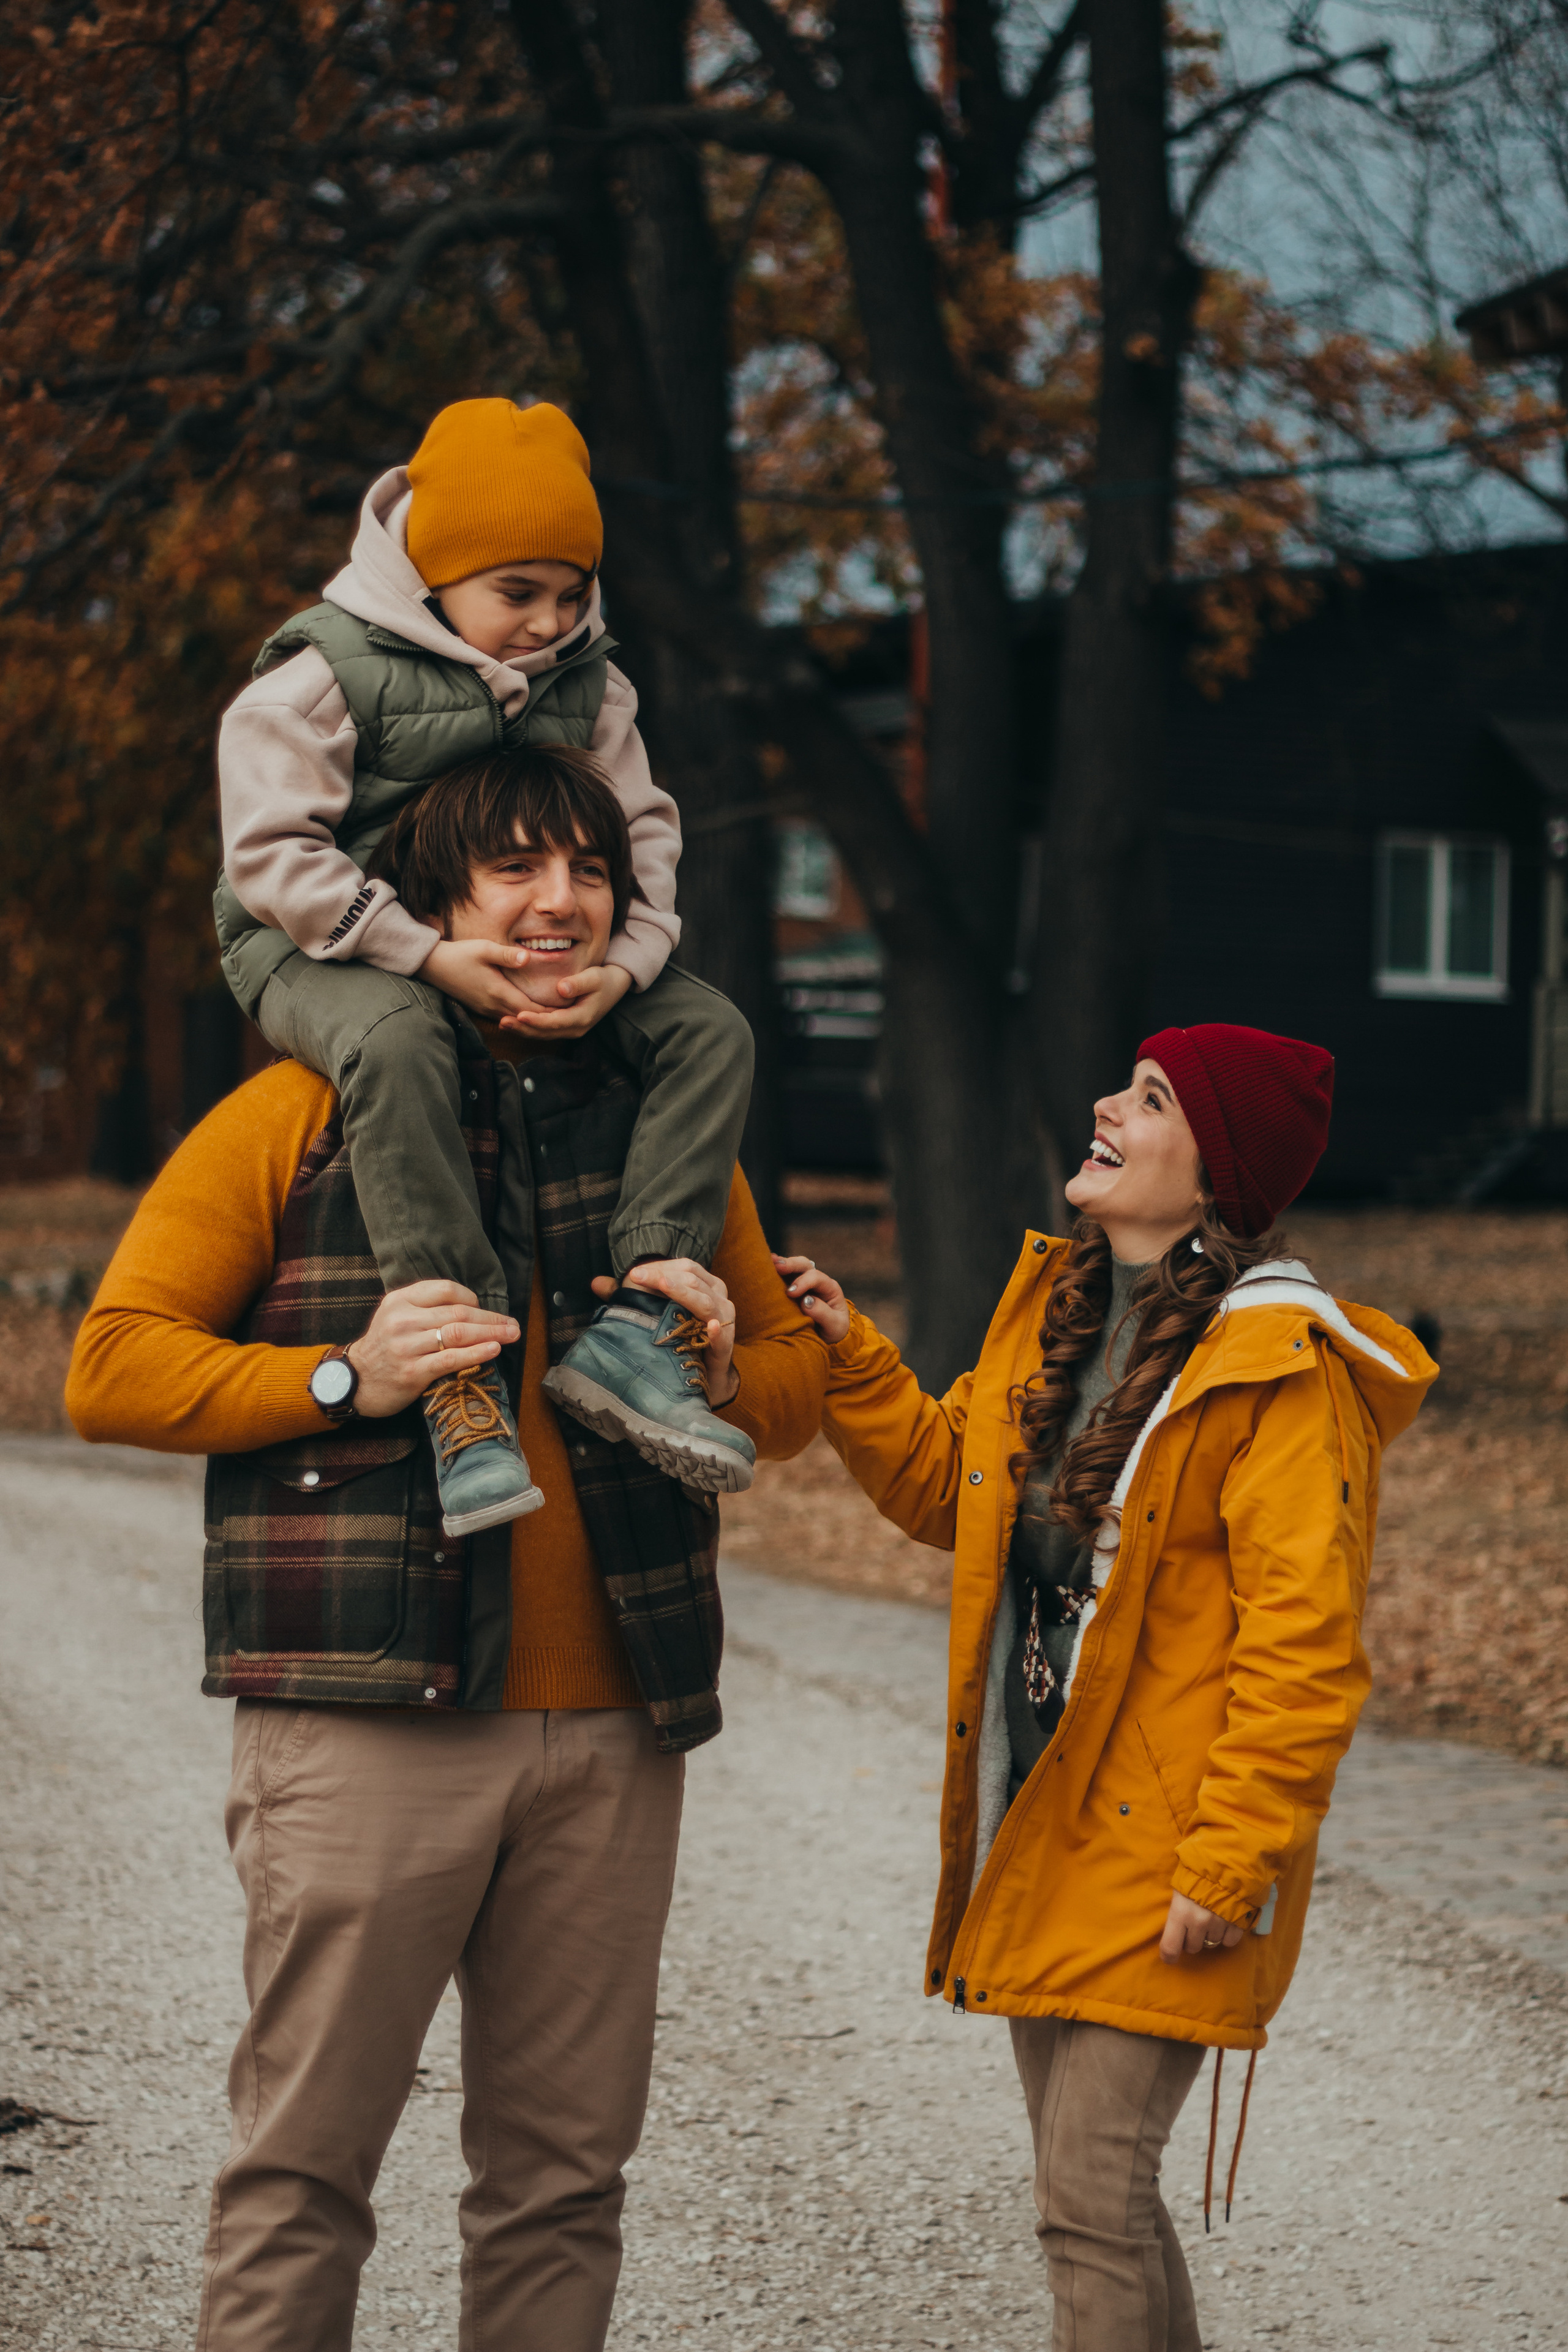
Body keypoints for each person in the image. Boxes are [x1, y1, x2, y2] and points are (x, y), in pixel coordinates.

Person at [66, 745, 828, 2351]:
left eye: (591, 872)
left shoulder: (673, 1118)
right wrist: (349, 1376)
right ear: (434, 903)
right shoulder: (301, 1107)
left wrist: (710, 1365)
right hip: (364, 1727)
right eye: (516, 872)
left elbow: (787, 1393)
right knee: (304, 2174)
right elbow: (111, 1366)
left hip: (615, 1734)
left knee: (562, 2182)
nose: (560, 905)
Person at [775, 1025, 1437, 2352]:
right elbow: (942, 1495)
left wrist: (1230, 1857)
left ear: (1215, 1173)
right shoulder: (1062, 1315)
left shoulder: (1280, 1375)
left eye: (1147, 1098)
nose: (1103, 1104)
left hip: (1170, 1848)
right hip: (1047, 1820)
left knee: (1087, 2198)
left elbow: (1301, 1648)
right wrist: (853, 1354)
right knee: (1101, 2207)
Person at [214, 395, 756, 1536]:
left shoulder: (591, 682)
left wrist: (631, 965)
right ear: (429, 569)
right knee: (397, 1038)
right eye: (518, 593)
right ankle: (458, 1366)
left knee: (710, 1029)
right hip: (316, 934)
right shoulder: (327, 673)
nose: (546, 622)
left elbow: (643, 830)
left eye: (571, 593)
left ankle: (643, 1328)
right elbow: (268, 855)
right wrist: (422, 955)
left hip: (512, 931)